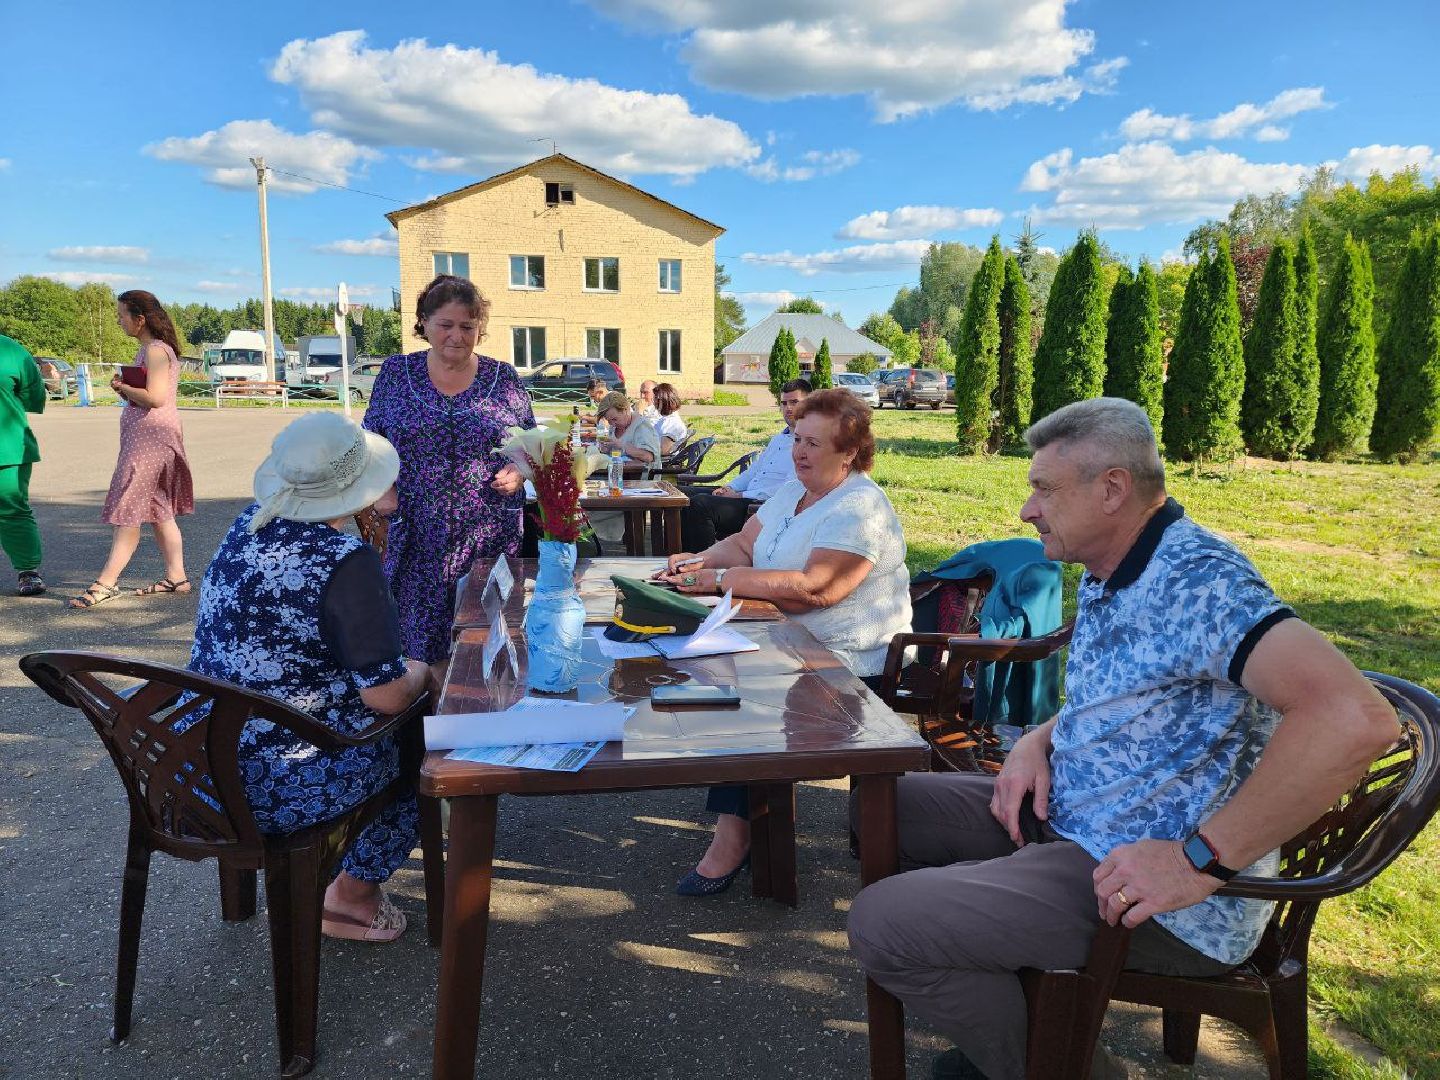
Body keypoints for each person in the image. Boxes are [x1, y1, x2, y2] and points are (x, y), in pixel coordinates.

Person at [846, 398, 1400, 1080]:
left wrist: (1199, 859)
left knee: (885, 924)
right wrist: (1036, 743)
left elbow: (1356, 718)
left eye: (1043, 489)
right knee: (875, 808)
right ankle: (1013, 1022)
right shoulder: (1117, 566)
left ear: (1112, 489)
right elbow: (1126, 695)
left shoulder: (1201, 583)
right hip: (1077, 816)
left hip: (1147, 884)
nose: (1027, 510)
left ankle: (1062, 1064)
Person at [185, 412, 432, 942]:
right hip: (278, 782)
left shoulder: (248, 524)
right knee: (422, 747)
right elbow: (387, 696)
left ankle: (261, 896)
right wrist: (423, 673)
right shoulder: (346, 560)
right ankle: (351, 897)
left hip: (195, 762)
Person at [659, 388, 912, 895]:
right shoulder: (794, 492)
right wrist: (701, 560)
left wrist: (721, 582)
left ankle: (737, 838)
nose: (799, 452)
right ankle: (753, 823)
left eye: (814, 443)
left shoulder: (859, 506)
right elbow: (746, 544)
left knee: (743, 700)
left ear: (850, 452)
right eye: (797, 438)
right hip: (786, 641)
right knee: (702, 671)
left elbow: (818, 588)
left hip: (846, 660)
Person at [363, 275, 533, 671]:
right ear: (423, 322)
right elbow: (369, 444)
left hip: (489, 530)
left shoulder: (502, 377)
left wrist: (519, 471)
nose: (457, 335)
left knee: (486, 641)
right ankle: (421, 729)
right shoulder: (395, 374)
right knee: (417, 648)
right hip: (417, 531)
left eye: (468, 327)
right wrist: (382, 490)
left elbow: (529, 443)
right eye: (446, 324)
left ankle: (484, 722)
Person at [71, 290, 194, 608]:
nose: (118, 319)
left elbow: (155, 398)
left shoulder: (155, 350)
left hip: (149, 444)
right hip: (151, 440)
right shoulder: (154, 349)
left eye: (122, 314)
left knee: (129, 512)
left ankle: (105, 583)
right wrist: (127, 388)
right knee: (160, 513)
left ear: (140, 319)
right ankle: (176, 577)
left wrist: (124, 387)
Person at [679, 378, 809, 551]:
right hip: (746, 496)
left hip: (761, 507)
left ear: (809, 403)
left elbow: (788, 489)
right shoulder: (779, 438)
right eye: (784, 403)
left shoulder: (805, 443)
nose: (788, 408)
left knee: (700, 505)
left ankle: (700, 563)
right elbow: (753, 471)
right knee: (682, 495)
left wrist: (739, 496)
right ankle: (673, 555)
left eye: (794, 402)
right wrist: (729, 487)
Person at [0, 334, 46, 596]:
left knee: (12, 509)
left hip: (8, 447)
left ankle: (28, 571)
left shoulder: (11, 350)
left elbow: (33, 395)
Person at [594, 391, 660, 465]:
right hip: (618, 472)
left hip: (639, 475)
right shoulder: (614, 426)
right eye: (608, 420)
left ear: (625, 410)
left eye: (614, 419)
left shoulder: (642, 426)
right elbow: (616, 453)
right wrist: (607, 449)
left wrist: (623, 446)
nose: (611, 423)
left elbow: (649, 457)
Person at [651, 382, 687, 455]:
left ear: (663, 400)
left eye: (655, 399)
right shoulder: (665, 419)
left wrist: (634, 450)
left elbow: (662, 450)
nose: (653, 402)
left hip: (657, 464)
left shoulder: (673, 424)